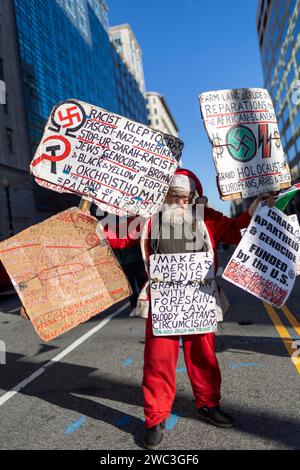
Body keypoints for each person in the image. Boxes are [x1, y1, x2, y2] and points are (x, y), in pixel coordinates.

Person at [102, 168, 275, 449]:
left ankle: (208, 404)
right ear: (164, 195)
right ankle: (155, 418)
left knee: (204, 357)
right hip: (163, 302)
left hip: (199, 299)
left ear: (195, 196)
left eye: (186, 196)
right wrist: (89, 220)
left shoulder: (207, 217)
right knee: (158, 362)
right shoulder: (146, 218)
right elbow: (115, 235)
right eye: (175, 196)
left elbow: (236, 229)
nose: (180, 201)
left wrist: (257, 205)